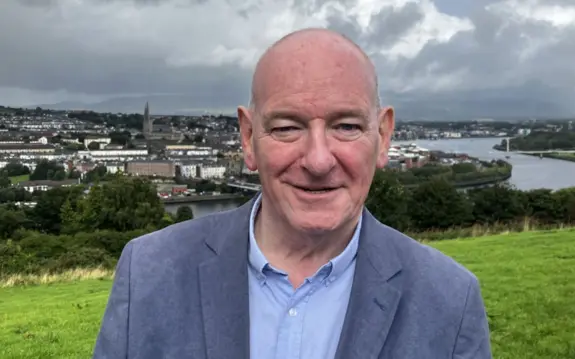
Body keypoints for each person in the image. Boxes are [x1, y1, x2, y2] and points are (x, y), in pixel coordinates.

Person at [92, 28, 492, 359]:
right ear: (248, 138)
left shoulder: (450, 301)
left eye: (347, 126)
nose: (318, 161)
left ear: (383, 137)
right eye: (286, 127)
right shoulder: (147, 272)